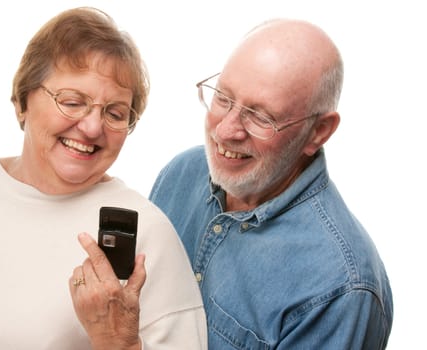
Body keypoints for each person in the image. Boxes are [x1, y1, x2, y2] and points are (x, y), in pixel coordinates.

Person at [0, 7, 206, 349]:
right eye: (72, 101)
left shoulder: (149, 234)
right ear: (23, 100)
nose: (93, 127)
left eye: (115, 113)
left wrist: (117, 342)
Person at [150, 18, 393, 349]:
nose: (224, 132)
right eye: (222, 97)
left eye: (261, 116)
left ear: (319, 132)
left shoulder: (341, 288)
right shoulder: (182, 172)